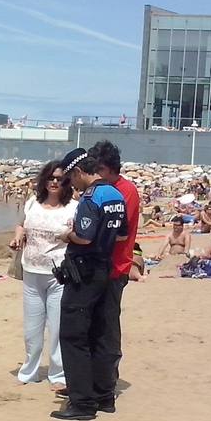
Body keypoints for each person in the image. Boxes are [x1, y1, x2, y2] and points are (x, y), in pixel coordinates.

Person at [51, 147, 127, 421]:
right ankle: (104, 395)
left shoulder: (91, 198)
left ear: (80, 172)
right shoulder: (116, 194)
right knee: (100, 333)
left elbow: (84, 237)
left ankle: (82, 402)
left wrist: (67, 235)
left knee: (74, 336)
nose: (72, 184)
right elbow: (122, 235)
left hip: (84, 272)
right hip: (105, 268)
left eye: (72, 178)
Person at [10, 161, 74, 391]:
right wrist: (18, 237)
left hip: (59, 275)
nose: (54, 182)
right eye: (51, 178)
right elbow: (20, 225)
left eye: (60, 178)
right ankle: (29, 371)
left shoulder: (73, 208)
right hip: (31, 271)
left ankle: (58, 374)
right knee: (32, 328)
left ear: (67, 182)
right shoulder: (32, 203)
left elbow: (80, 235)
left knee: (57, 327)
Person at [89, 139, 139, 377]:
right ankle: (90, 377)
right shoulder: (100, 189)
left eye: (99, 169)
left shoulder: (125, 190)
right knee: (91, 325)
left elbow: (117, 230)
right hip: (97, 266)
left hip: (115, 268)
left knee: (107, 327)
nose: (96, 174)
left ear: (109, 168)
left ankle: (107, 379)